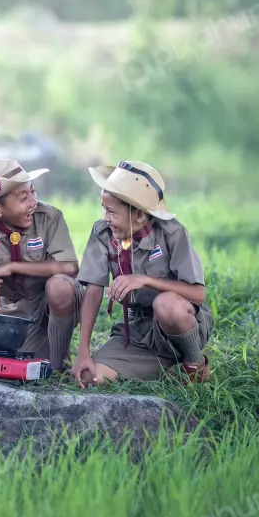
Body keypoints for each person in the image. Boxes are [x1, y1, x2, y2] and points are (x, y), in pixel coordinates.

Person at [70, 160, 212, 386]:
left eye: (111, 211)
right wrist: (83, 351)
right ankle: (163, 367)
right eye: (103, 209)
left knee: (166, 305)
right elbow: (94, 290)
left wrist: (145, 280)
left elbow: (197, 294)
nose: (105, 217)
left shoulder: (172, 233)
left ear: (138, 214)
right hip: (138, 332)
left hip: (178, 323)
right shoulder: (103, 233)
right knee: (89, 378)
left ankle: (193, 362)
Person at [0, 159, 84, 371]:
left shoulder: (49, 217)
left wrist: (14, 267)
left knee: (60, 286)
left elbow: (69, 267)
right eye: (23, 198)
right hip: (13, 313)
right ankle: (16, 350)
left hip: (49, 304)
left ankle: (59, 363)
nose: (33, 202)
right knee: (12, 361)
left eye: (33, 192)